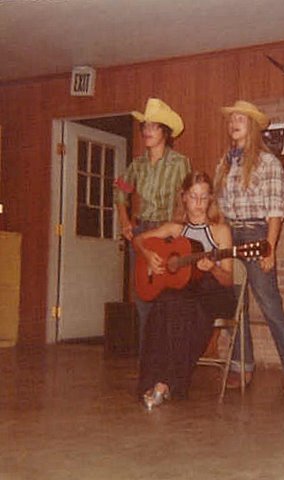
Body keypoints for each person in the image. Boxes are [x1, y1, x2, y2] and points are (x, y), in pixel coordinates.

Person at [214, 100, 284, 396]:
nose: (234, 123)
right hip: (229, 236)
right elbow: (220, 209)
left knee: (268, 303)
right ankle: (242, 366)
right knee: (233, 303)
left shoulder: (268, 163)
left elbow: (276, 211)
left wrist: (270, 248)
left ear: (252, 126)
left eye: (240, 119)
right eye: (231, 119)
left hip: (256, 234)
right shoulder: (224, 163)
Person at [133, 171, 236, 408]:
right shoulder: (175, 229)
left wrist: (212, 268)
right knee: (164, 305)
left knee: (182, 306)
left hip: (214, 294)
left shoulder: (220, 231)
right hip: (183, 296)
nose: (198, 203)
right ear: (184, 197)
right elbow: (138, 240)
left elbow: (228, 279)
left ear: (211, 199)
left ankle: (166, 383)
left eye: (203, 197)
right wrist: (148, 257)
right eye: (193, 196)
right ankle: (155, 382)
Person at [114, 98, 191, 351]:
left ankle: (168, 357)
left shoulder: (180, 162)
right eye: (144, 126)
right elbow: (121, 191)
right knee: (144, 297)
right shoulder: (137, 165)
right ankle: (147, 359)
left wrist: (178, 227)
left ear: (165, 132)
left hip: (168, 234)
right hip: (142, 234)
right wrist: (125, 222)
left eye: (153, 126)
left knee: (168, 296)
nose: (147, 131)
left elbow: (187, 197)